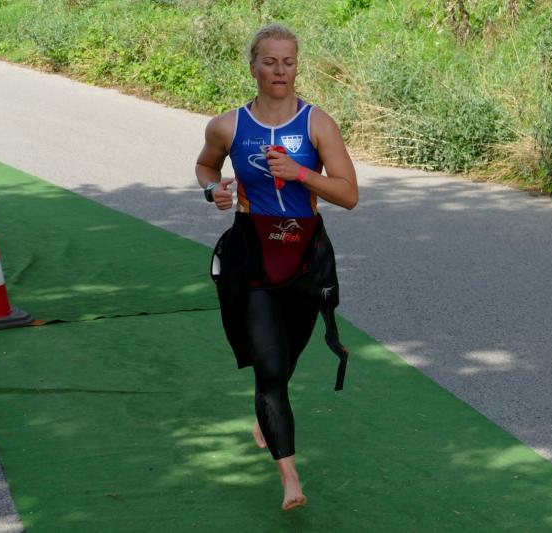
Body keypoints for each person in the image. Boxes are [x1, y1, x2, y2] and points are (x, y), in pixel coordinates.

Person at [195, 23, 358, 511]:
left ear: (297, 66)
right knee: (269, 369)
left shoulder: (317, 124)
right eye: (270, 61)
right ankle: (290, 478)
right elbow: (206, 166)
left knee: (285, 362)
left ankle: (266, 413)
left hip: (305, 256)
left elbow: (348, 194)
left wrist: (301, 173)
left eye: (288, 62)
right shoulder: (227, 126)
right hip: (252, 254)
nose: (280, 71)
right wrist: (213, 190)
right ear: (253, 66)